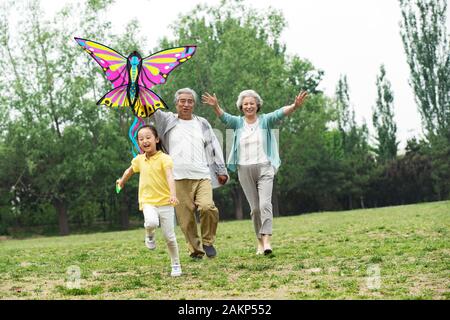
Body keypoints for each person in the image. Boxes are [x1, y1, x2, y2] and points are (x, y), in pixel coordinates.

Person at [201, 89, 308, 255]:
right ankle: (259, 241)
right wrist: (215, 106)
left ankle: (267, 241)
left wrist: (295, 106)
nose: (249, 106)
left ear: (257, 105)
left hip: (265, 167)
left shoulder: (265, 121)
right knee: (255, 209)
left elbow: (280, 113)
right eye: (245, 104)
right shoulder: (238, 123)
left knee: (265, 204)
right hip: (244, 168)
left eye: (252, 103)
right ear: (241, 107)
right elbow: (224, 117)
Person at [151, 88, 229, 259]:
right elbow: (150, 107)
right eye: (182, 101)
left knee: (208, 207)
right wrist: (138, 88)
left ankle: (208, 241)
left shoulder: (202, 123)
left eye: (190, 101)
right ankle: (195, 250)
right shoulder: (167, 120)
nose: (186, 104)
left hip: (202, 175)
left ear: (194, 104)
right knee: (186, 220)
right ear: (176, 103)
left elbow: (213, 147)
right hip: (177, 178)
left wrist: (221, 170)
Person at [116, 125, 182, 277]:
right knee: (151, 222)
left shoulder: (165, 159)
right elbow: (129, 171)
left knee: (169, 237)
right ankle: (149, 234)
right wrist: (122, 181)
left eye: (148, 137)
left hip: (166, 202)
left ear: (156, 139)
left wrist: (173, 195)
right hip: (147, 201)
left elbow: (170, 177)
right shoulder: (139, 160)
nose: (145, 141)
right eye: (141, 139)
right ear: (138, 143)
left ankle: (176, 264)